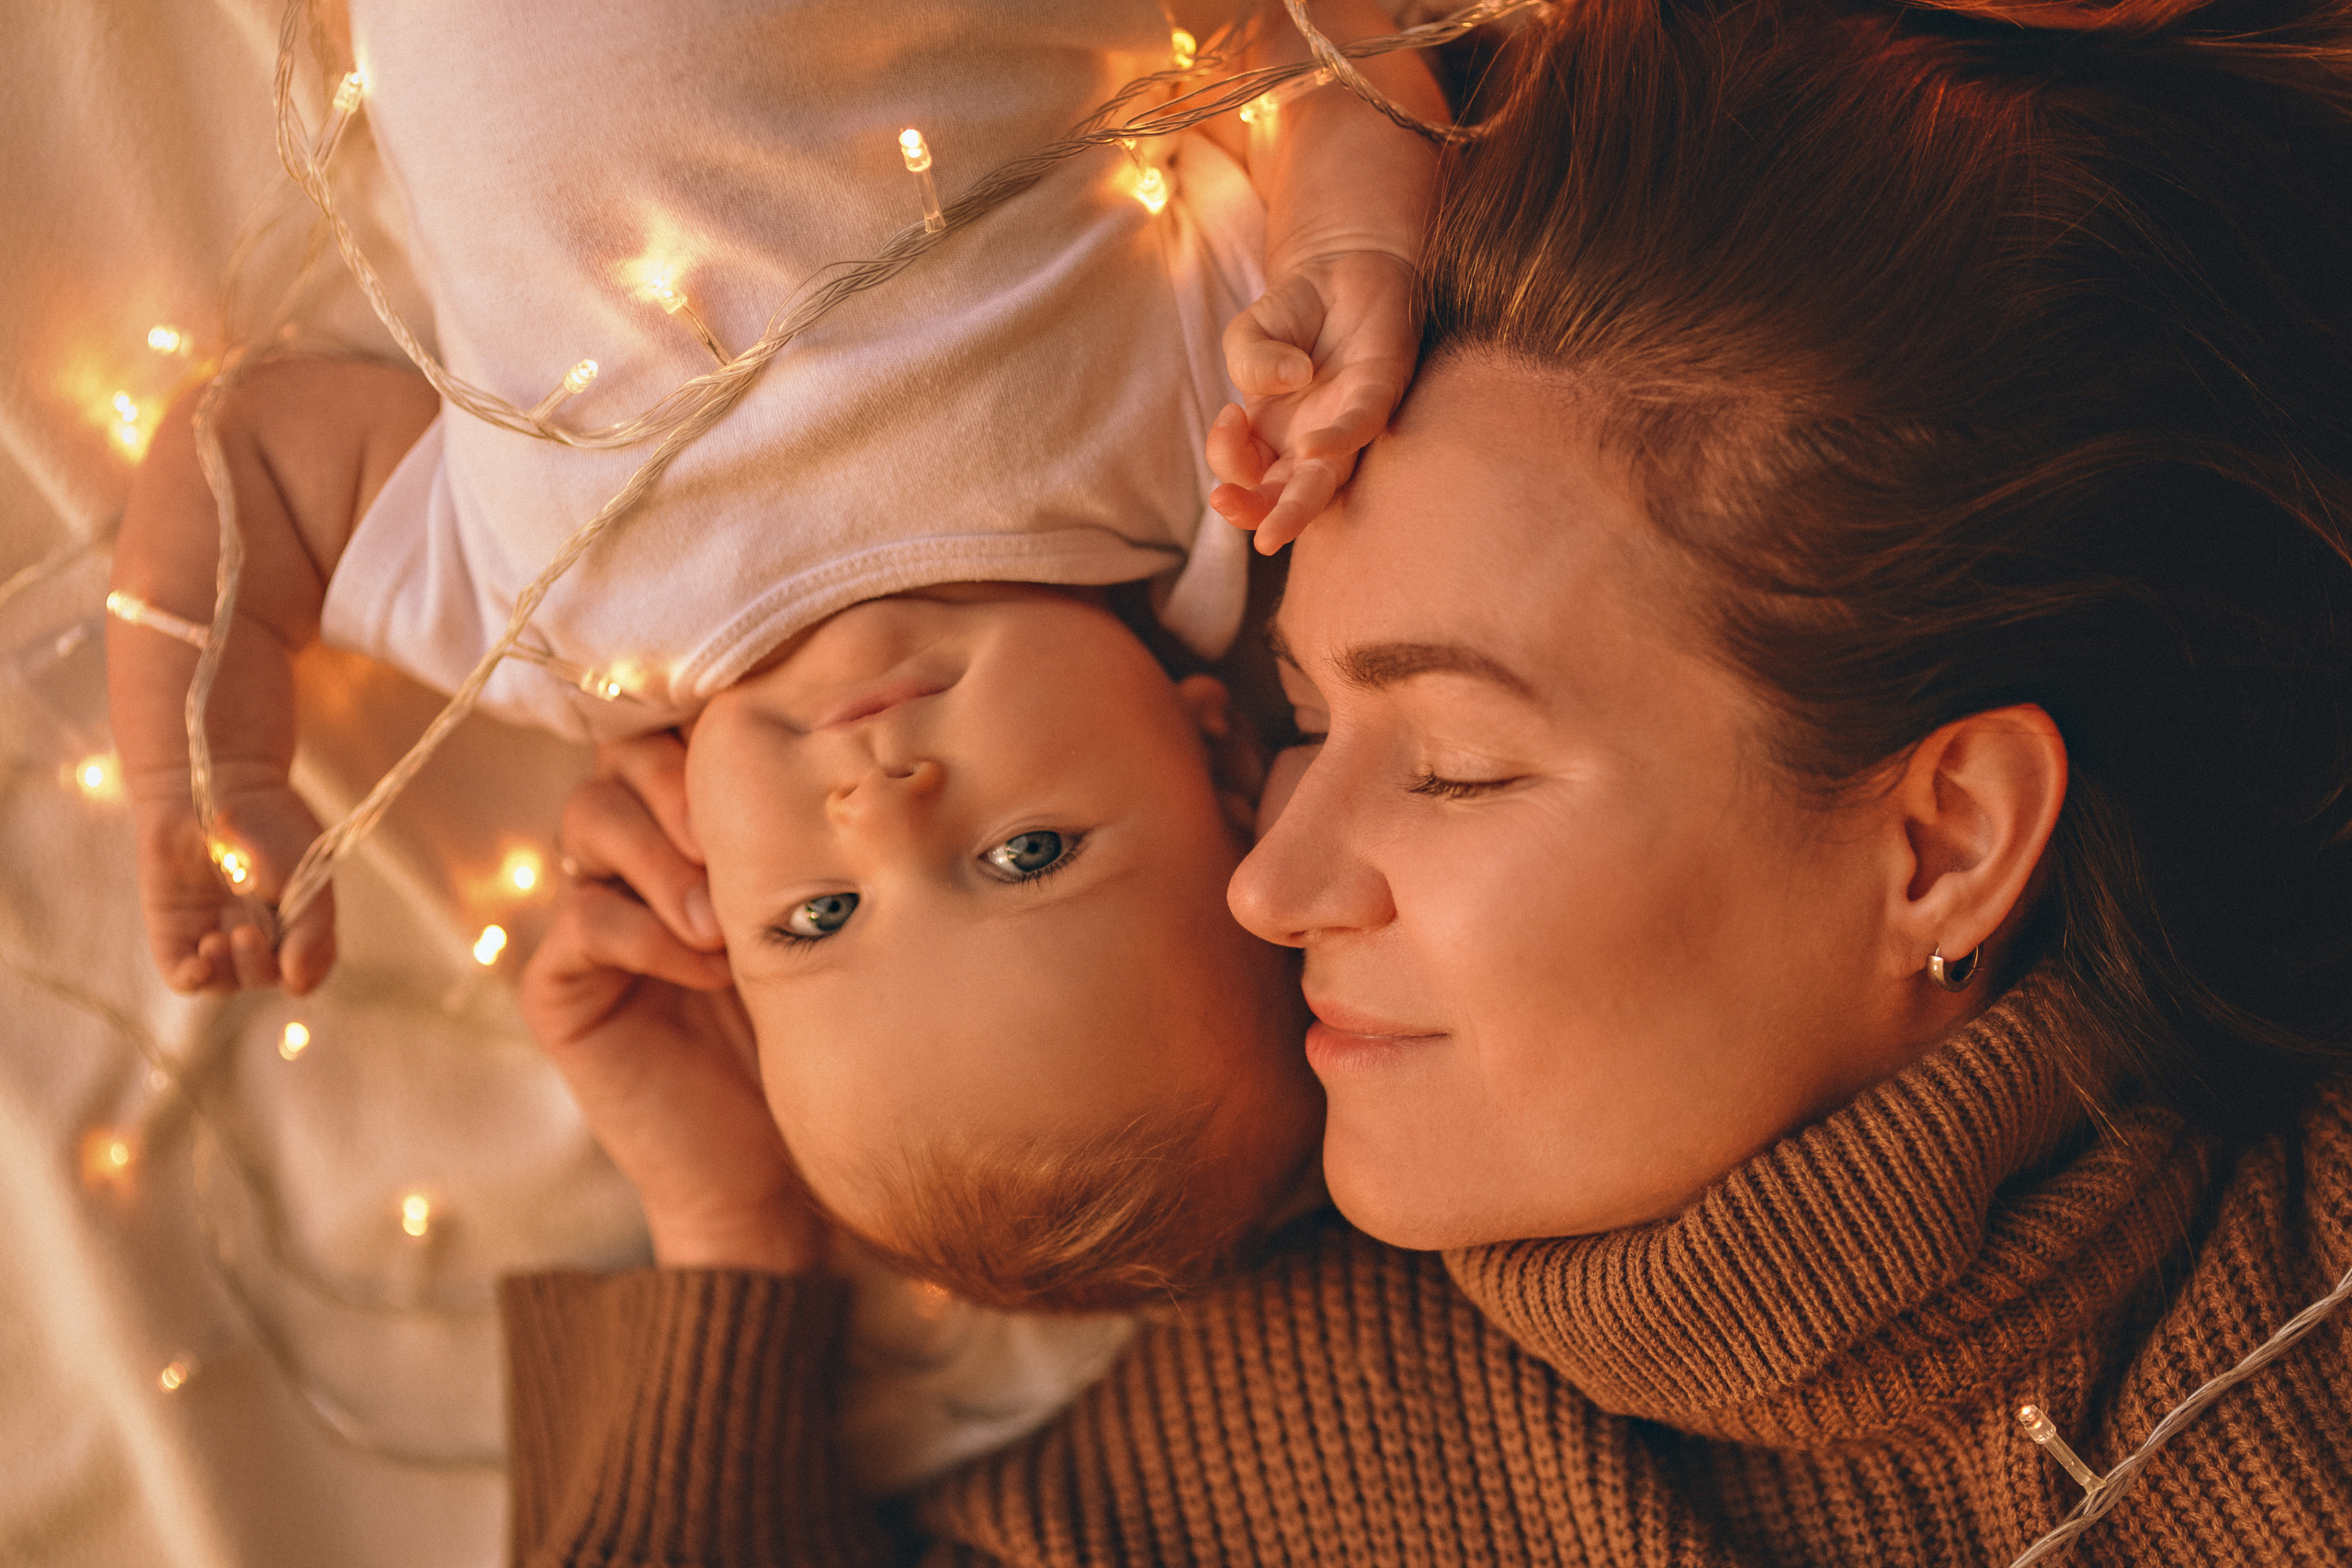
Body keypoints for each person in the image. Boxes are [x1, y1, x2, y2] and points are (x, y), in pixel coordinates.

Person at [499, 0, 2352, 1559]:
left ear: (1940, 840)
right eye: (1299, 722)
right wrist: (726, 1233)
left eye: (1455, 765)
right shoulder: (1250, 1446)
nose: (1263, 883)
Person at [105, 0, 1445, 1308]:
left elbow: (245, 469)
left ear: (714, 928)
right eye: (1025, 855)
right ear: (1215, 755)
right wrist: (1351, 237)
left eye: (819, 916)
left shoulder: (564, 637)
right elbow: (1317, 45)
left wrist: (206, 779)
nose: (881, 808)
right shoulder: (1216, 458)